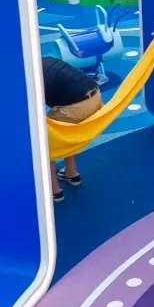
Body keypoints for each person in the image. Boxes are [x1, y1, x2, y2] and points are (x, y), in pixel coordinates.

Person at [42, 52, 106, 198]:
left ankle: (54, 191)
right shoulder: (48, 61)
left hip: (76, 107)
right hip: (96, 97)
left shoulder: (34, 77)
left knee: (46, 140)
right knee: (65, 129)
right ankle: (72, 174)